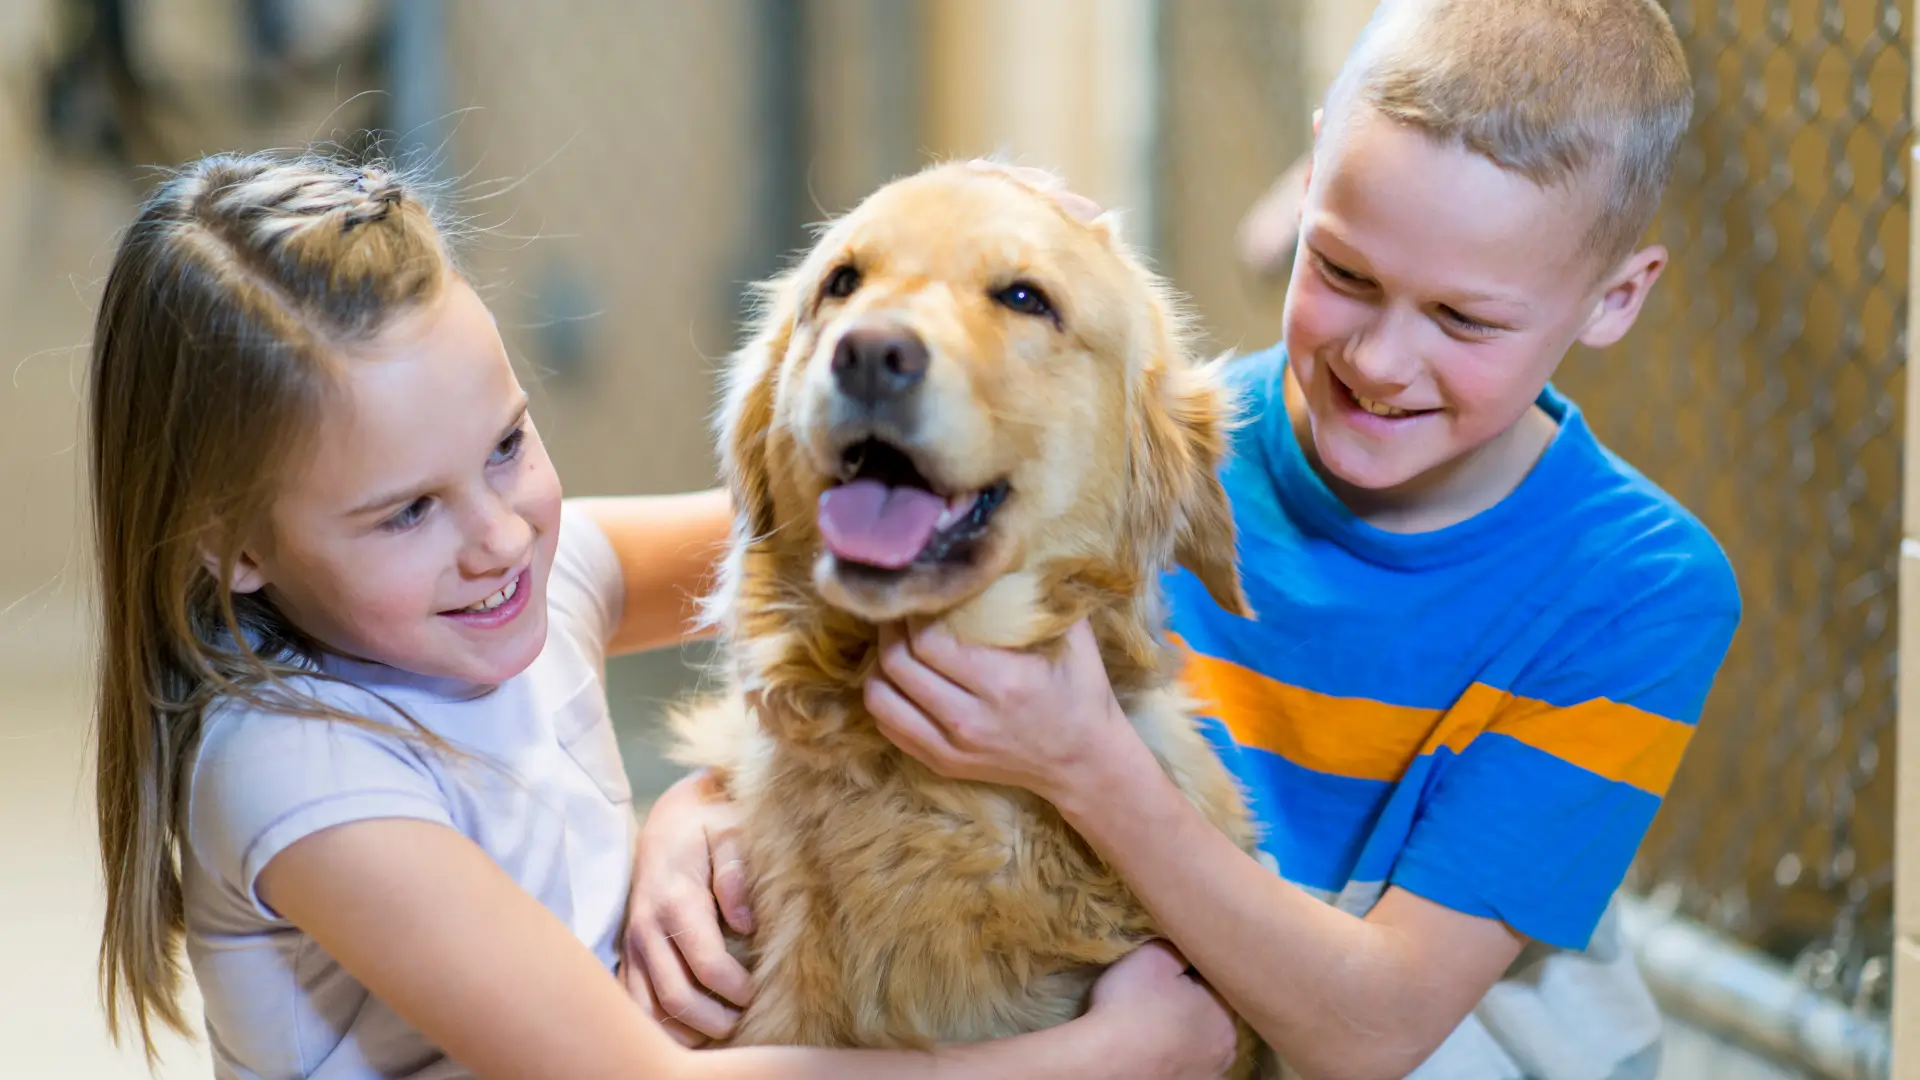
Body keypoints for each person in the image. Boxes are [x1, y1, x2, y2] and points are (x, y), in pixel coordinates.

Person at [630, 2, 1743, 1078]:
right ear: (1309, 189)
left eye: (1465, 320)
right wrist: (709, 807)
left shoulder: (1639, 587)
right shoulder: (1151, 439)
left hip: (1424, 1035)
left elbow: (1376, 1033)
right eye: (1343, 274)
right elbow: (774, 581)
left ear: (1614, 297)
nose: (1382, 362)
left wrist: (1084, 761)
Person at [87, 148, 1238, 1080]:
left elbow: (785, 514)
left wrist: (699, 801)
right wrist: (1105, 1054)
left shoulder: (522, 572)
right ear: (231, 547)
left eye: (506, 446)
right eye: (404, 513)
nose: (498, 536)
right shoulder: (300, 772)